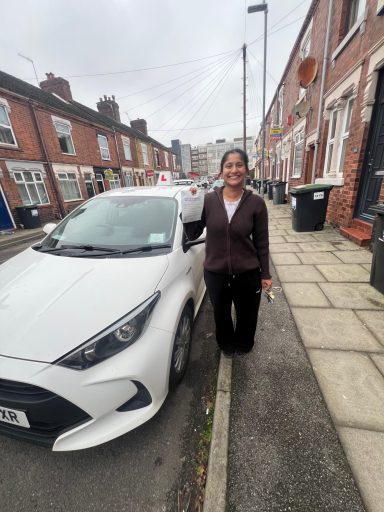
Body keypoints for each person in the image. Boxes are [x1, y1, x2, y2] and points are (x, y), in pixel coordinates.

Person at [183, 148, 272, 357]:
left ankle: (244, 344)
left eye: (239, 165)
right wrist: (190, 207)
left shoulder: (256, 203)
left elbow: (262, 242)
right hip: (216, 273)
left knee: (247, 314)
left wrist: (265, 274)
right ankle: (226, 345)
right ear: (222, 172)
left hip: (247, 272)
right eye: (229, 166)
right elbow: (192, 232)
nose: (234, 170)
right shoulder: (208, 200)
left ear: (247, 170)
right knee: (221, 314)